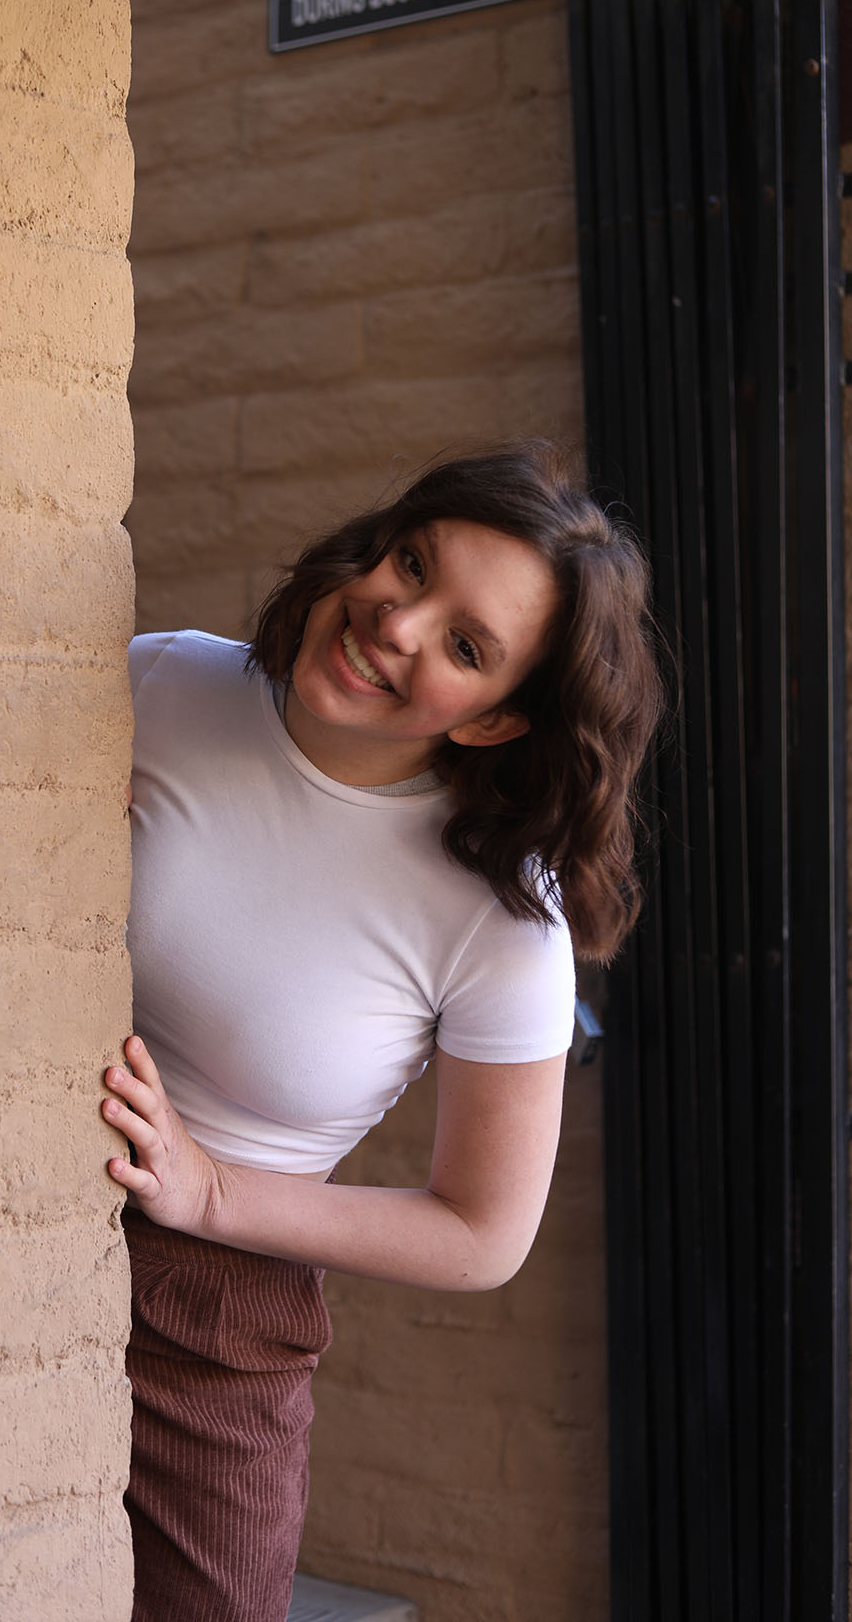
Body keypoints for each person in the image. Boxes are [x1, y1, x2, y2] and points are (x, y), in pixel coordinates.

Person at [102, 441, 663, 1622]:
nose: (395, 624)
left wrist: (211, 1193)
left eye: (465, 646)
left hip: (207, 1318)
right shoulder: (157, 684)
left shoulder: (501, 921)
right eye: (411, 564)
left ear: (500, 719)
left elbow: (481, 1233)